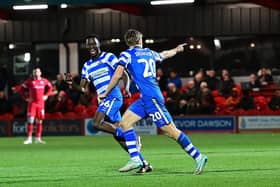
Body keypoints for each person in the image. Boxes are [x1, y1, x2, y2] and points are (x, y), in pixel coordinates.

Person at [100, 29, 207, 174]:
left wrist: (106, 92)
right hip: (146, 98)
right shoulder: (149, 53)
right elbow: (164, 54)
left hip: (152, 98)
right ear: (139, 40)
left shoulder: (126, 54)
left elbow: (118, 74)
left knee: (171, 132)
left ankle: (199, 156)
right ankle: (136, 159)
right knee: (125, 123)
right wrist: (176, 49)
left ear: (128, 42)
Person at [66, 35, 151, 172]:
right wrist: (71, 83)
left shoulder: (108, 57)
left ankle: (132, 138)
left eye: (94, 44)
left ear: (99, 45)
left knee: (96, 123)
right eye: (89, 45)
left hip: (113, 96)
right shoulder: (87, 66)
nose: (91, 47)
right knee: (118, 137)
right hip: (104, 100)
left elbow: (123, 74)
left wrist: (127, 88)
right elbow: (83, 88)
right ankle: (144, 163)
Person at [19, 67, 53, 144]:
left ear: (40, 73)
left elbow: (51, 88)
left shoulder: (44, 81)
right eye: (35, 72)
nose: (36, 73)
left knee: (39, 121)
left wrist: (46, 95)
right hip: (32, 104)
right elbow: (21, 89)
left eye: (37, 72)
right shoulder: (29, 81)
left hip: (41, 104)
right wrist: (26, 98)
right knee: (30, 120)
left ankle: (38, 138)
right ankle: (29, 138)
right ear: (33, 73)